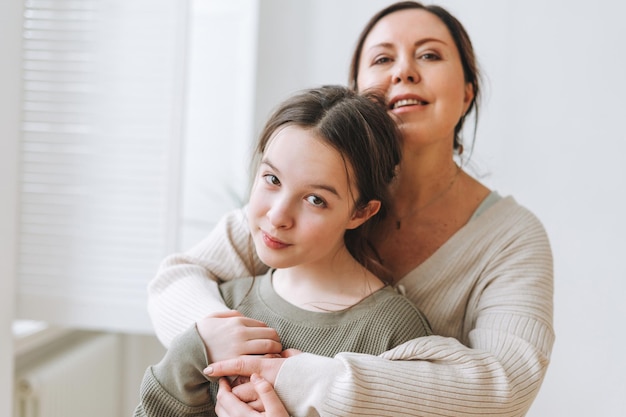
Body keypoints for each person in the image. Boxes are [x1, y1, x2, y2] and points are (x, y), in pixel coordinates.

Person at [147, 1, 555, 416]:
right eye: (382, 58)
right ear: (357, 92)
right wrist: (221, 345)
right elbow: (177, 280)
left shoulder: (512, 238)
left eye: (429, 55)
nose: (404, 72)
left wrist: (297, 381)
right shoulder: (299, 192)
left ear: (468, 92)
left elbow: (507, 387)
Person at [134, 85, 433, 417]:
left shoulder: (395, 333)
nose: (277, 216)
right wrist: (193, 348)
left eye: (315, 199)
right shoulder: (222, 311)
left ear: (360, 212)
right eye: (272, 179)